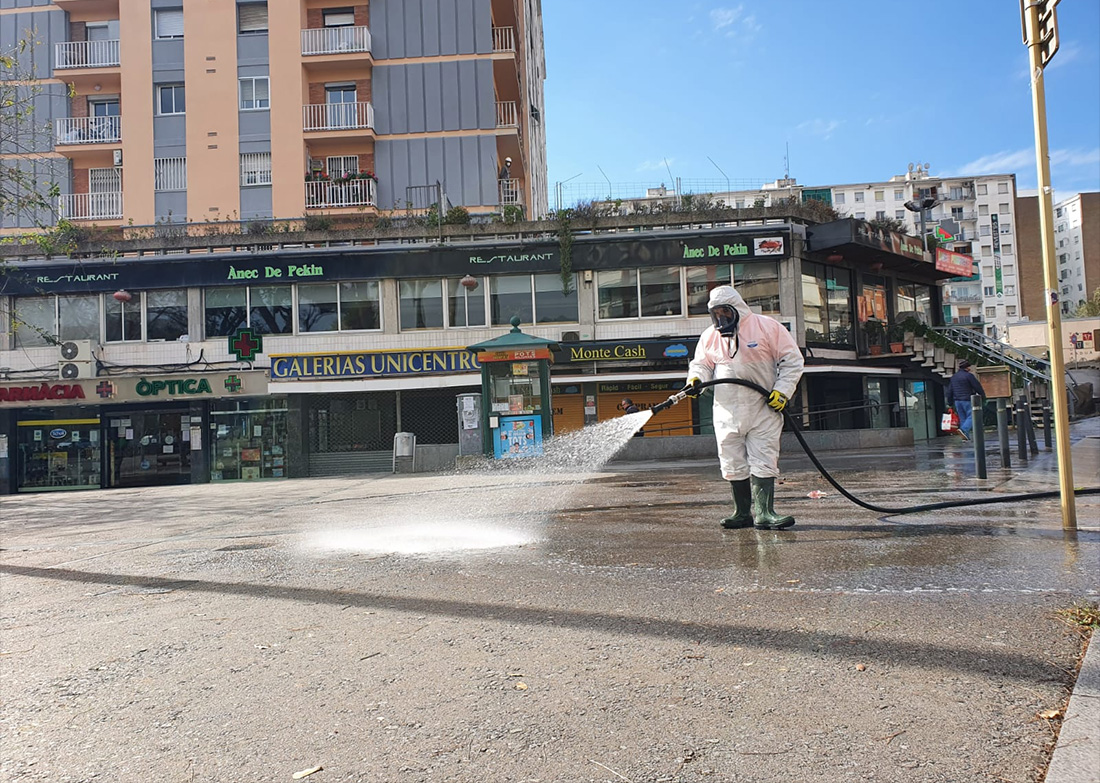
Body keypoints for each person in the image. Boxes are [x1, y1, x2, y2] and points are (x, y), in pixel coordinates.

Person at [685, 285, 805, 530]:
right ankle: (741, 513)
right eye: (716, 313)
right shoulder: (710, 336)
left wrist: (782, 392)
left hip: (763, 408)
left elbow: (793, 361)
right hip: (726, 410)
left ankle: (765, 512)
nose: (721, 318)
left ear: (736, 308)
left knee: (764, 458)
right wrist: (695, 380)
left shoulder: (767, 327)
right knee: (731, 461)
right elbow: (701, 364)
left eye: (725, 312)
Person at [946, 360, 985, 442]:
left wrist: (950, 403)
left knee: (963, 418)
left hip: (957, 401)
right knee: (972, 416)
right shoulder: (969, 376)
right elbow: (977, 387)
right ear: (967, 368)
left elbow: (950, 391)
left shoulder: (954, 377)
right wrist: (983, 396)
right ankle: (963, 430)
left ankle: (965, 437)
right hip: (967, 399)